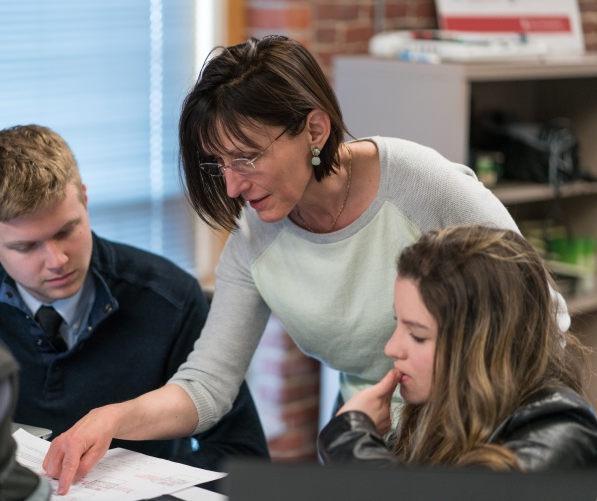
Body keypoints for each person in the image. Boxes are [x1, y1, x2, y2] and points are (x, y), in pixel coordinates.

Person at [43, 36, 570, 494]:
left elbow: (541, 317)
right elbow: (207, 385)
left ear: (314, 130)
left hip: (477, 443)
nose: (231, 186)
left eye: (246, 158)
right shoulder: (254, 239)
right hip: (365, 440)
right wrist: (110, 419)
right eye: (217, 163)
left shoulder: (424, 185)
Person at [0, 124, 270, 486]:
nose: (57, 259)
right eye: (27, 247)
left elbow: (244, 454)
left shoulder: (169, 299)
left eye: (66, 231)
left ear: (85, 200)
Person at [318, 225, 597, 470]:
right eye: (398, 324)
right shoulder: (438, 410)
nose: (392, 348)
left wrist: (349, 438)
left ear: (484, 344)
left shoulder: (561, 433)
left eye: (417, 335)